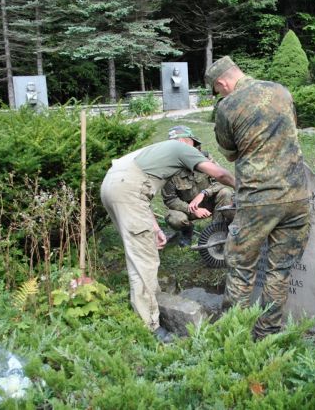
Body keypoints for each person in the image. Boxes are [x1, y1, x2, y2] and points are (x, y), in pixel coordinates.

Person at [204, 56, 310, 340]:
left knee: (241, 267)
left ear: (222, 82)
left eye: (217, 89)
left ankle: (234, 335)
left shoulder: (227, 106)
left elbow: (230, 152)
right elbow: (291, 129)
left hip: (258, 199)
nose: (219, 94)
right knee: (280, 271)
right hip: (297, 196)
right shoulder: (281, 90)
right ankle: (267, 333)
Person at [100, 125, 234, 343]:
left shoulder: (157, 152)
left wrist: (154, 227)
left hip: (114, 185)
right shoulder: (181, 149)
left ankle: (153, 299)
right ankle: (150, 326)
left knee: (140, 251)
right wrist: (247, 187)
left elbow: (142, 193)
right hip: (128, 190)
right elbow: (221, 174)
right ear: (186, 142)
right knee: (143, 260)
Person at [161, 149, 234, 247]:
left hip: (210, 202)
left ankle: (217, 228)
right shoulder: (169, 169)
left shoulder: (205, 158)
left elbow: (221, 180)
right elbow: (170, 199)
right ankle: (187, 231)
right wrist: (192, 210)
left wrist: (204, 193)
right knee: (173, 218)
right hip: (187, 208)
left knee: (225, 192)